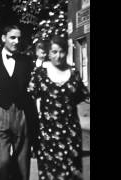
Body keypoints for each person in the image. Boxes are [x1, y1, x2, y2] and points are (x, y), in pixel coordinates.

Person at [27, 35, 90, 180]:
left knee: (72, 174)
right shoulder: (39, 75)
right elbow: (30, 98)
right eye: (54, 52)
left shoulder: (74, 75)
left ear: (66, 52)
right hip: (48, 136)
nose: (58, 56)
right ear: (48, 53)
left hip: (71, 134)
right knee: (50, 174)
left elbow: (81, 97)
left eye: (62, 51)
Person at [0, 25, 33, 180]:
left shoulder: (26, 61)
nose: (16, 41)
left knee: (22, 160)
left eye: (19, 38)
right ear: (3, 38)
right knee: (2, 162)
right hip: (0, 113)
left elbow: (32, 86)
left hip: (21, 113)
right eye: (13, 37)